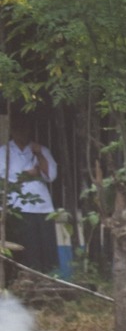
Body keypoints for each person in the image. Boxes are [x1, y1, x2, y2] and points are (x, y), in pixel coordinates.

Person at [1, 118, 60, 283]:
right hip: (17, 206)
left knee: (44, 246)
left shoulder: (40, 149)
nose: (23, 133)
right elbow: (6, 179)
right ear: (12, 132)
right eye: (19, 130)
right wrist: (28, 174)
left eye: (26, 129)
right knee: (25, 246)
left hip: (42, 206)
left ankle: (48, 279)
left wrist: (39, 153)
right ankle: (22, 279)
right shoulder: (3, 152)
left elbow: (51, 176)